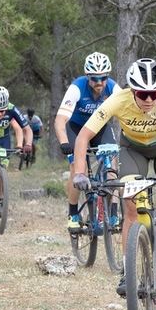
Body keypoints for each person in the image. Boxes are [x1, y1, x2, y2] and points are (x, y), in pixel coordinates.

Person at [72, 58, 156, 296]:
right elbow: (84, 136)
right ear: (132, 90)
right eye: (142, 94)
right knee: (131, 209)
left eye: (154, 94)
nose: (148, 99)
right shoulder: (117, 100)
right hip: (131, 149)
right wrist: (81, 173)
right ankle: (127, 272)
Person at [54, 52, 119, 231]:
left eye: (103, 78)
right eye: (94, 78)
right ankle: (73, 213)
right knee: (76, 166)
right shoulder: (77, 87)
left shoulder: (113, 88)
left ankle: (113, 211)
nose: (99, 82)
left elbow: (126, 114)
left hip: (100, 128)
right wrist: (64, 142)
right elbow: (60, 120)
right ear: (87, 76)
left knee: (112, 163)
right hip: (76, 127)